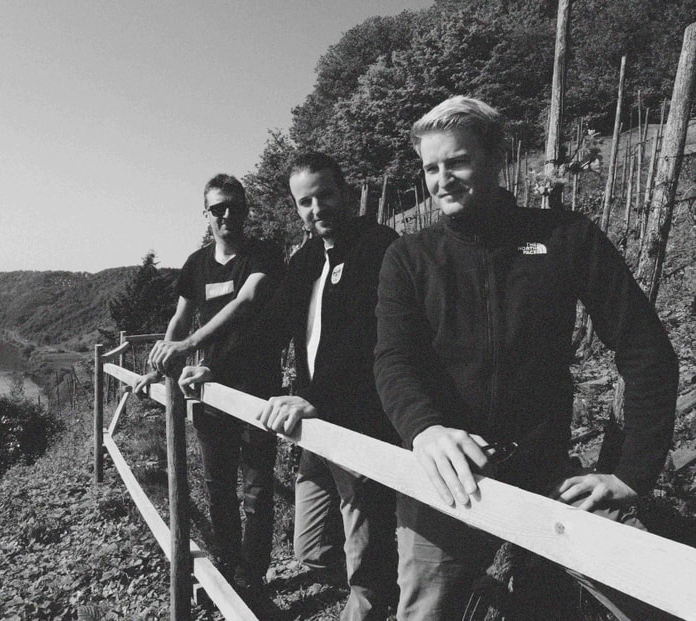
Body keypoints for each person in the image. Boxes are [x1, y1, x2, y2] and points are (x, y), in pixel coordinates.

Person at [373, 96, 679, 620]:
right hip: (446, 480)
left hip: (545, 477)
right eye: (431, 168)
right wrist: (424, 428)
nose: (442, 179)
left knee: (545, 609)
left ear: (497, 158)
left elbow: (645, 347)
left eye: (457, 162)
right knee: (428, 610)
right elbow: (392, 360)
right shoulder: (410, 256)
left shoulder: (565, 237)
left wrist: (633, 473)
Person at [181, 152, 399, 620]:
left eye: (324, 195)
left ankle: (374, 595)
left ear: (344, 191)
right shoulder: (304, 260)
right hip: (314, 427)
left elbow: (366, 338)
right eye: (305, 201)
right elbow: (270, 326)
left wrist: (314, 397)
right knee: (312, 547)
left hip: (358, 421)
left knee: (364, 546)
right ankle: (386, 576)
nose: (316, 208)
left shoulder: (379, 246)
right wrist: (213, 371)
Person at [134, 173, 284, 597]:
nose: (227, 215)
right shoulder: (197, 264)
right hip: (209, 388)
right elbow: (180, 318)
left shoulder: (264, 254)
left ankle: (253, 577)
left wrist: (188, 345)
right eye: (218, 208)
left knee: (256, 490)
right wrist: (162, 360)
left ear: (247, 210)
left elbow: (247, 300)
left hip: (258, 391)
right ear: (206, 213)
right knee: (218, 486)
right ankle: (227, 566)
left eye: (235, 206)